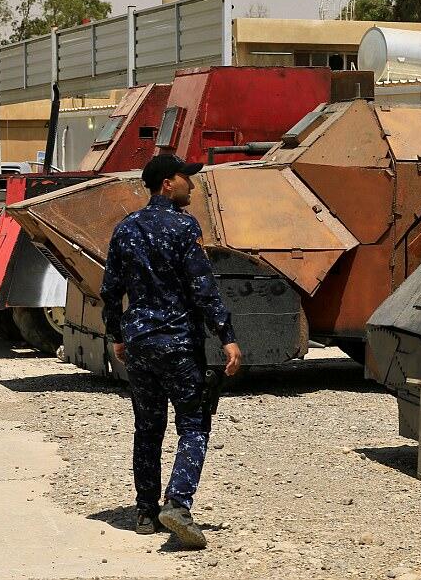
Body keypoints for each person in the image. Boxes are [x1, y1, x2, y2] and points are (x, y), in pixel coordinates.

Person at [100, 154, 242, 549]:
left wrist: (117, 334)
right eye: (186, 179)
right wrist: (226, 335)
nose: (191, 186)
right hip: (178, 343)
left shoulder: (125, 228)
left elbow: (110, 290)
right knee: (193, 424)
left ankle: (146, 511)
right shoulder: (184, 226)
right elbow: (202, 287)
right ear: (167, 183)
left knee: (147, 428)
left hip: (140, 344)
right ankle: (177, 504)